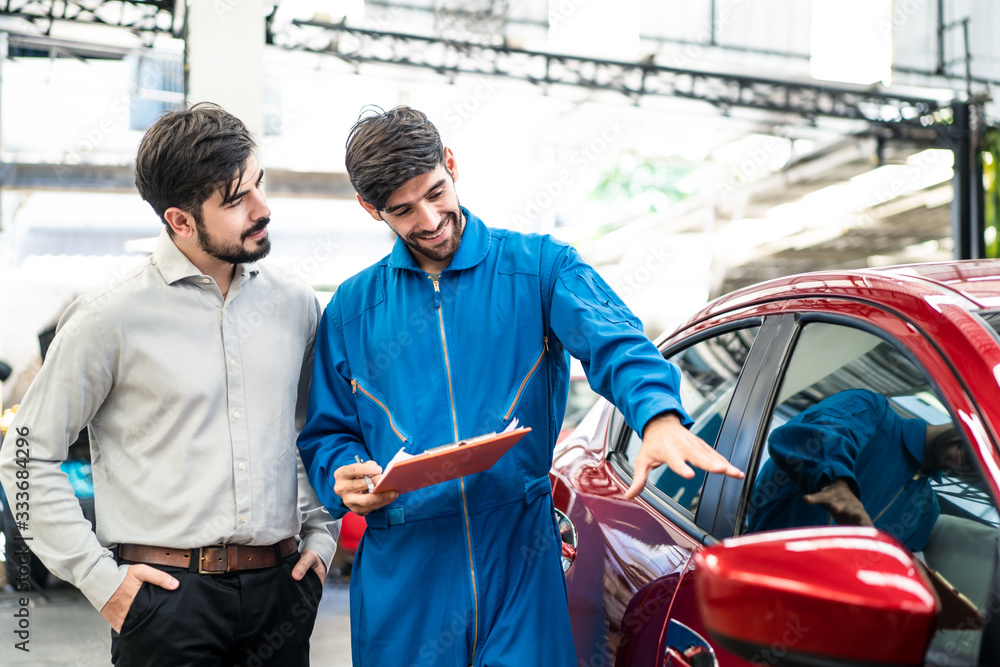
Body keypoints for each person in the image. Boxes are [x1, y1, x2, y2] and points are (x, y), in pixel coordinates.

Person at [296, 105, 743, 667]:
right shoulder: (352, 312)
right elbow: (327, 433)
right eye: (404, 211)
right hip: (405, 574)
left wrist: (656, 415)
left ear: (451, 164)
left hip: (520, 557)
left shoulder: (540, 268)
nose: (430, 219)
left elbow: (617, 341)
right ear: (371, 208)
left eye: (436, 192)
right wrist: (345, 476)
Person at [0, 103, 338, 666]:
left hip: (283, 592)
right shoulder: (109, 318)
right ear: (180, 220)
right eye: (236, 201)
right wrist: (98, 580)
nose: (263, 209)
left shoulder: (295, 304)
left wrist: (321, 538)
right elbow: (25, 457)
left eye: (258, 185)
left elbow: (313, 431)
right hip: (166, 604)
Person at [747, 388, 969, 552]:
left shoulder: (925, 513)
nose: (970, 463)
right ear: (972, 419)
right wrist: (837, 486)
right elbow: (807, 435)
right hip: (750, 566)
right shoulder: (873, 411)